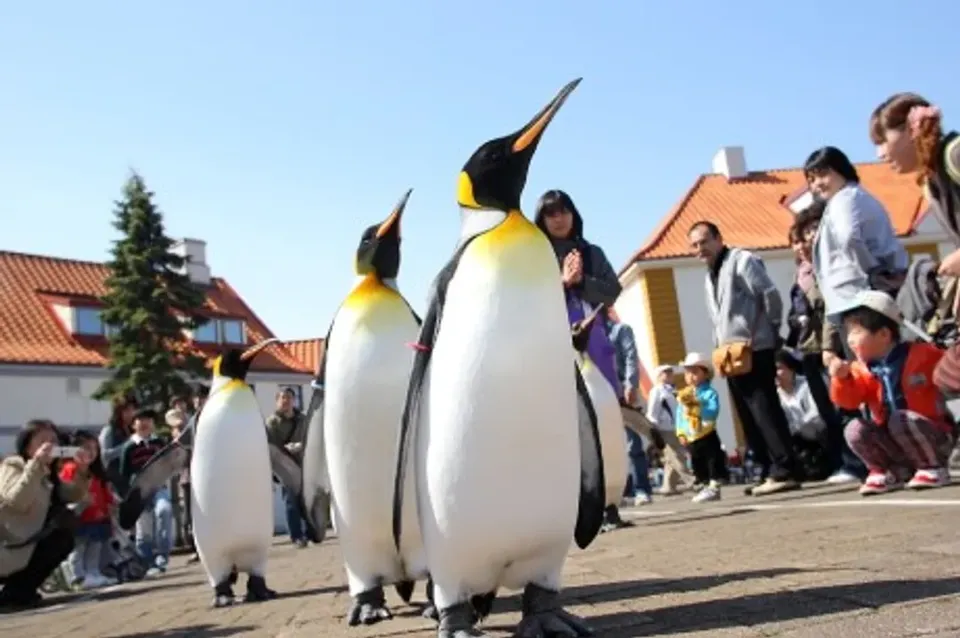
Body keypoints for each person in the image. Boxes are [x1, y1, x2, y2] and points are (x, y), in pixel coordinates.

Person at [688, 220, 801, 496]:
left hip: (754, 346)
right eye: (694, 245)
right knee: (746, 413)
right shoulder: (709, 274)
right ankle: (766, 469)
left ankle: (784, 468)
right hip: (729, 353)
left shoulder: (743, 260)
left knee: (764, 407)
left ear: (718, 238)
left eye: (704, 241)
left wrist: (770, 330)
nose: (700, 249)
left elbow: (769, 294)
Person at [828, 290, 954, 495]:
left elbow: (951, 371)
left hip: (934, 436)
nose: (850, 340)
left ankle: (933, 467)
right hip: (895, 441)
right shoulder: (859, 369)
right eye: (848, 332)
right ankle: (889, 471)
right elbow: (848, 402)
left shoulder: (924, 354)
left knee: (900, 418)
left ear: (884, 334)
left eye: (856, 332)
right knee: (854, 429)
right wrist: (841, 379)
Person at [803, 146, 909, 369]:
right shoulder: (852, 197)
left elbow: (849, 238)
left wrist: (870, 272)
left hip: (859, 296)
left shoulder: (845, 199)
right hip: (860, 294)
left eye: (823, 174)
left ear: (842, 170)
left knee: (872, 372)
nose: (817, 184)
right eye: (811, 179)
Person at [787, 206, 864, 485]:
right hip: (809, 348)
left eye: (807, 236)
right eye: (797, 240)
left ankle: (856, 463)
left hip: (831, 344)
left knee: (845, 406)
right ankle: (841, 462)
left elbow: (829, 309)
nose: (802, 244)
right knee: (828, 413)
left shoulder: (827, 268)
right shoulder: (801, 275)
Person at [0, 419, 93, 610]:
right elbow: (18, 500)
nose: (50, 445)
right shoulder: (12, 466)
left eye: (54, 441)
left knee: (64, 534)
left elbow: (73, 493)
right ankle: (15, 592)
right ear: (27, 445)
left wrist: (81, 470)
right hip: (7, 546)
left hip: (26, 546)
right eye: (43, 440)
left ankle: (18, 591)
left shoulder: (47, 475)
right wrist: (36, 464)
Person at [534, 189, 622, 389]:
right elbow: (528, 302)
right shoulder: (534, 257)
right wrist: (563, 282)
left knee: (606, 408)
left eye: (564, 212)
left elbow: (612, 292)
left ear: (574, 215)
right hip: (551, 344)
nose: (559, 219)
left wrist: (581, 281)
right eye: (551, 214)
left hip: (595, 342)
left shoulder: (592, 253)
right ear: (542, 220)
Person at [871, 94, 960, 258]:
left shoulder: (955, 153)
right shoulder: (930, 180)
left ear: (910, 129)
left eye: (882, 141)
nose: (880, 154)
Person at [604, 307, 653, 505]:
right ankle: (622, 491)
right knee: (610, 445)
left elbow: (631, 356)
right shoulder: (590, 335)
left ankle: (641, 489)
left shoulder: (620, 330)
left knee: (632, 443)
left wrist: (630, 384)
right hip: (603, 395)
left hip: (623, 393)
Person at [59, 431, 116, 590]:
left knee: (94, 548)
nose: (91, 452)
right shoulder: (70, 469)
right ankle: (77, 577)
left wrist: (111, 503)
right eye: (85, 448)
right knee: (79, 549)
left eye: (94, 448)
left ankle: (93, 573)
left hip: (97, 517)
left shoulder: (95, 472)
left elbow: (105, 493)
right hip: (80, 517)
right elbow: (67, 491)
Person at [119, 408, 173, 576]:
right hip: (139, 493)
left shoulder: (160, 442)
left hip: (158, 487)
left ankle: (162, 557)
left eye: (148, 420)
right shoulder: (128, 447)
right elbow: (123, 473)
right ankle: (147, 562)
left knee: (164, 510)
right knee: (144, 529)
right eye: (140, 420)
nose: (144, 423)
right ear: (133, 425)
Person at [674, 353, 724, 503]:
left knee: (712, 458)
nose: (690, 376)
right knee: (697, 461)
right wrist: (681, 432)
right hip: (691, 435)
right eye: (688, 373)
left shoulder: (708, 393)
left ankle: (714, 485)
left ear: (706, 374)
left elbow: (713, 411)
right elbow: (680, 415)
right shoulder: (685, 395)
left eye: (695, 372)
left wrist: (698, 406)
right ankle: (704, 485)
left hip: (706, 432)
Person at [266, 388, 309, 547]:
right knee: (291, 501)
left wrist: (301, 446)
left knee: (306, 500)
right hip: (285, 466)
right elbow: (272, 445)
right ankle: (296, 536)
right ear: (277, 401)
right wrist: (287, 449)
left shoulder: (303, 419)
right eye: (283, 398)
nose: (286, 401)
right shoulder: (272, 422)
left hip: (303, 465)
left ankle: (310, 532)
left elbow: (310, 438)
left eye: (289, 397)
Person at [644, 364, 695, 494]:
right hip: (664, 429)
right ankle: (691, 481)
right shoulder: (657, 391)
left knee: (671, 458)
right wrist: (654, 430)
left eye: (670, 372)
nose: (670, 374)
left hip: (677, 428)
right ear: (659, 376)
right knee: (678, 456)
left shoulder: (673, 390)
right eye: (666, 372)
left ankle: (668, 486)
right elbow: (652, 412)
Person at [99, 395, 137, 493]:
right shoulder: (109, 430)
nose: (131, 414)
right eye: (127, 411)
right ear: (118, 412)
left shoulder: (131, 429)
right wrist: (127, 446)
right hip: (115, 481)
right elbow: (105, 455)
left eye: (132, 410)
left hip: (130, 478)